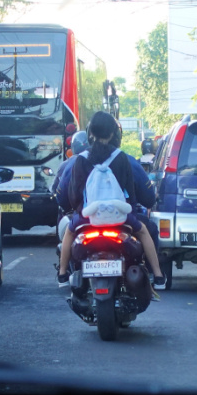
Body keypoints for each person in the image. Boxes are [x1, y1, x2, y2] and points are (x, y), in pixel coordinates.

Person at [57, 110, 166, 289]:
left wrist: (81, 211)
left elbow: (74, 195)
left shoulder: (80, 160)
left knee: (69, 232)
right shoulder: (121, 158)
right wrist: (127, 211)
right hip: (119, 217)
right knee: (145, 231)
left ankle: (62, 274)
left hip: (88, 217)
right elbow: (130, 193)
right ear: (113, 134)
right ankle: (158, 275)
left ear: (90, 132)